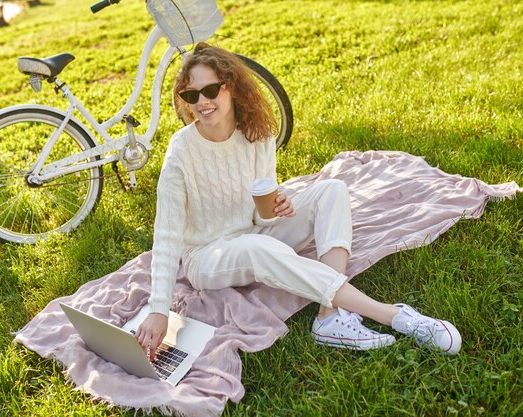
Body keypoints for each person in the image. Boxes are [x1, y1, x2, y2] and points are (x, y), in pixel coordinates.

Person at [135, 42, 462, 360]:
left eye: (210, 91)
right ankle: (395, 316)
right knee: (259, 249)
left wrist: (278, 209)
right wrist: (158, 309)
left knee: (331, 190)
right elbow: (166, 235)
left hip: (253, 234)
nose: (201, 102)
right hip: (206, 256)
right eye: (191, 96)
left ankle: (329, 316)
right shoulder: (181, 150)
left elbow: (260, 214)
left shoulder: (256, 134)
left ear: (231, 87)